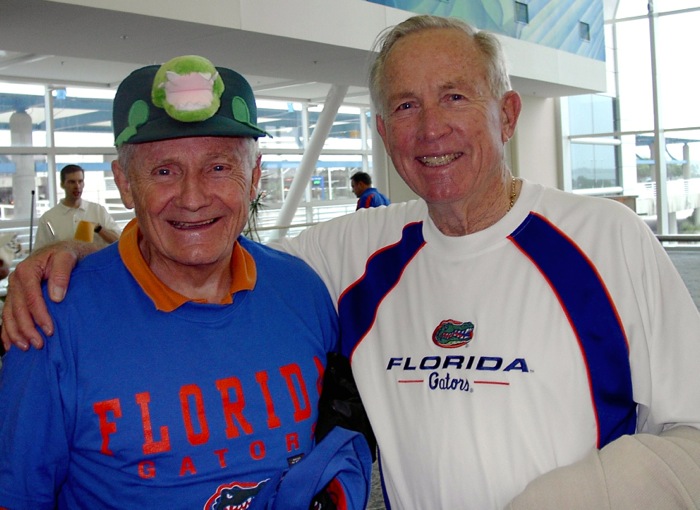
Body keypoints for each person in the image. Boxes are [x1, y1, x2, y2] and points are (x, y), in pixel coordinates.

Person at [3, 16, 700, 509]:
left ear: (509, 113)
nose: (431, 128)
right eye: (405, 105)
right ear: (382, 133)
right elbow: (199, 250)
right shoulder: (350, 256)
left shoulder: (606, 239)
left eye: (455, 96)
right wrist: (79, 254)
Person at [0, 55, 371, 509]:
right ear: (124, 183)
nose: (193, 198)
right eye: (164, 171)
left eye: (218, 168)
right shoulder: (52, 320)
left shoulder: (302, 292)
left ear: (254, 177)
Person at [33, 164, 121, 250]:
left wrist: (99, 229)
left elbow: (119, 240)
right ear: (62, 184)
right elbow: (39, 252)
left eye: (80, 181)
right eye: (72, 182)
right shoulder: (49, 218)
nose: (77, 186)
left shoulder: (98, 210)